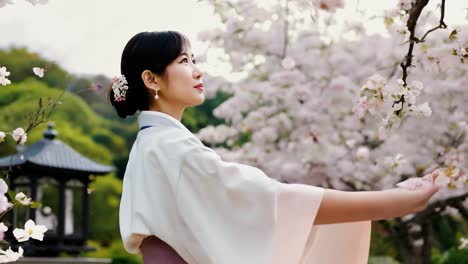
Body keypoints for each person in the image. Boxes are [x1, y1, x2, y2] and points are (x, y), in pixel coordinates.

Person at [110, 31, 440, 264]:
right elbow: (269, 201)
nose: (198, 70)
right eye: (184, 60)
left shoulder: (154, 143)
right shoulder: (169, 146)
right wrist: (392, 202)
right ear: (152, 80)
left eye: (194, 58)